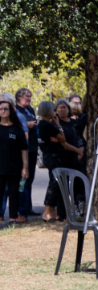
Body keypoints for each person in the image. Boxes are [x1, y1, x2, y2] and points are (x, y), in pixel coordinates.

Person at [37, 101, 72, 222]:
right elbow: (63, 138)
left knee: (56, 182)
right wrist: (59, 126)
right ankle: (47, 210)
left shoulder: (40, 124)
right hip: (53, 156)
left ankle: (52, 210)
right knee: (55, 182)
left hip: (48, 156)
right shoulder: (48, 125)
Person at [0, 98, 28, 224]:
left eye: (6, 109)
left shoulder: (17, 129)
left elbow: (24, 149)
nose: (3, 111)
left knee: (14, 194)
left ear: (11, 111)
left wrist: (25, 167)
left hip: (14, 167)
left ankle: (12, 218)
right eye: (0, 109)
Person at [14, 88, 38, 218]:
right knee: (22, 180)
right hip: (23, 151)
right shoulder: (16, 111)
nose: (29, 99)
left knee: (30, 179)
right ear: (19, 97)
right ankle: (21, 208)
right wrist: (26, 125)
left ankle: (28, 207)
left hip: (33, 149)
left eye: (30, 96)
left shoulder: (31, 110)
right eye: (26, 96)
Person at [55, 99, 85, 171]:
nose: (63, 109)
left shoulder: (75, 122)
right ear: (56, 110)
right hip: (63, 157)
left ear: (68, 109)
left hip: (77, 157)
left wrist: (81, 152)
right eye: (60, 107)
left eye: (64, 107)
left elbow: (81, 137)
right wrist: (78, 151)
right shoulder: (55, 124)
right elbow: (62, 142)